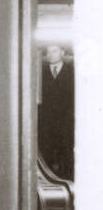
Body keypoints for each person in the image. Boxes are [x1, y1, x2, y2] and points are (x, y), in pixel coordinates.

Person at [38, 44, 74, 179]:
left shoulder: (72, 71)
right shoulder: (40, 72)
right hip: (46, 123)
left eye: (54, 51)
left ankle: (67, 182)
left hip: (66, 122)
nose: (50, 54)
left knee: (66, 155)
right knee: (46, 154)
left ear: (62, 53)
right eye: (48, 52)